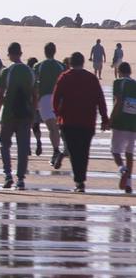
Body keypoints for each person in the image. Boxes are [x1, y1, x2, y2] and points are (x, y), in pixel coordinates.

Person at [52, 52, 110, 192]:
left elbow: (55, 98)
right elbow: (100, 99)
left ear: (71, 63)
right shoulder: (91, 78)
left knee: (74, 152)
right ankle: (80, 180)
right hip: (87, 122)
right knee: (83, 152)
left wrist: (58, 114)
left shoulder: (65, 77)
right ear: (83, 62)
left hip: (68, 122)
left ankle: (79, 181)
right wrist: (104, 118)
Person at [0, 42, 37, 190]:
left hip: (9, 115)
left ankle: (7, 174)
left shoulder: (6, 71)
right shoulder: (30, 72)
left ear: (10, 54)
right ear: (21, 53)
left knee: (5, 144)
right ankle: (20, 179)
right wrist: (33, 115)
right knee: (23, 147)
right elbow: (35, 95)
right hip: (25, 115)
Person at [35, 42, 66, 166]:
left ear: (45, 51)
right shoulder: (61, 66)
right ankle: (57, 151)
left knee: (52, 128)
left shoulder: (39, 66)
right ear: (55, 51)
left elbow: (35, 83)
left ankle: (56, 151)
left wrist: (35, 101)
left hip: (45, 99)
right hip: (59, 100)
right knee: (56, 128)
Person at [111, 61, 135, 194]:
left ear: (119, 71)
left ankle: (122, 169)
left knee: (115, 152)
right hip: (133, 124)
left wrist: (110, 119)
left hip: (120, 122)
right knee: (129, 154)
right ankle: (129, 184)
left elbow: (118, 101)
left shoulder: (118, 83)